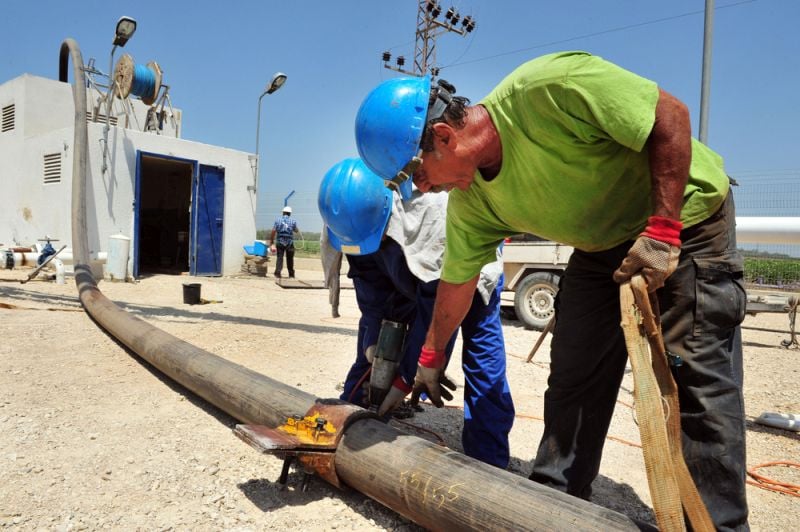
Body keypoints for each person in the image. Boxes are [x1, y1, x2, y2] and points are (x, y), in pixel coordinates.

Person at [354, 51, 748, 530]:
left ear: (442, 137)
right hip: (601, 244)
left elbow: (670, 115)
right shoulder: (472, 199)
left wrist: (663, 230)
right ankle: (552, 511)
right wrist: (431, 358)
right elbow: (456, 282)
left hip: (684, 219)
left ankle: (716, 526)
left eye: (416, 175)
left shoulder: (546, 89)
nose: (422, 190)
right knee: (573, 379)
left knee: (694, 387)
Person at [318, 157, 515, 469]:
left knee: (480, 354)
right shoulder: (345, 218)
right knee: (374, 347)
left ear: (386, 211)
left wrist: (409, 375)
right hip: (407, 259)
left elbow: (437, 311)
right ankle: (352, 413)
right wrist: (374, 349)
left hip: (466, 266)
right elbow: (372, 300)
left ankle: (487, 460)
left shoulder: (431, 213)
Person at [270, 206, 299, 278]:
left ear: (283, 213)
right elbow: (296, 230)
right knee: (290, 259)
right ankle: (291, 274)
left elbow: (273, 231)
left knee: (280, 258)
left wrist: (271, 241)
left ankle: (277, 273)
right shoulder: (293, 221)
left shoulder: (277, 220)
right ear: (290, 213)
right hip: (289, 242)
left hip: (280, 241)